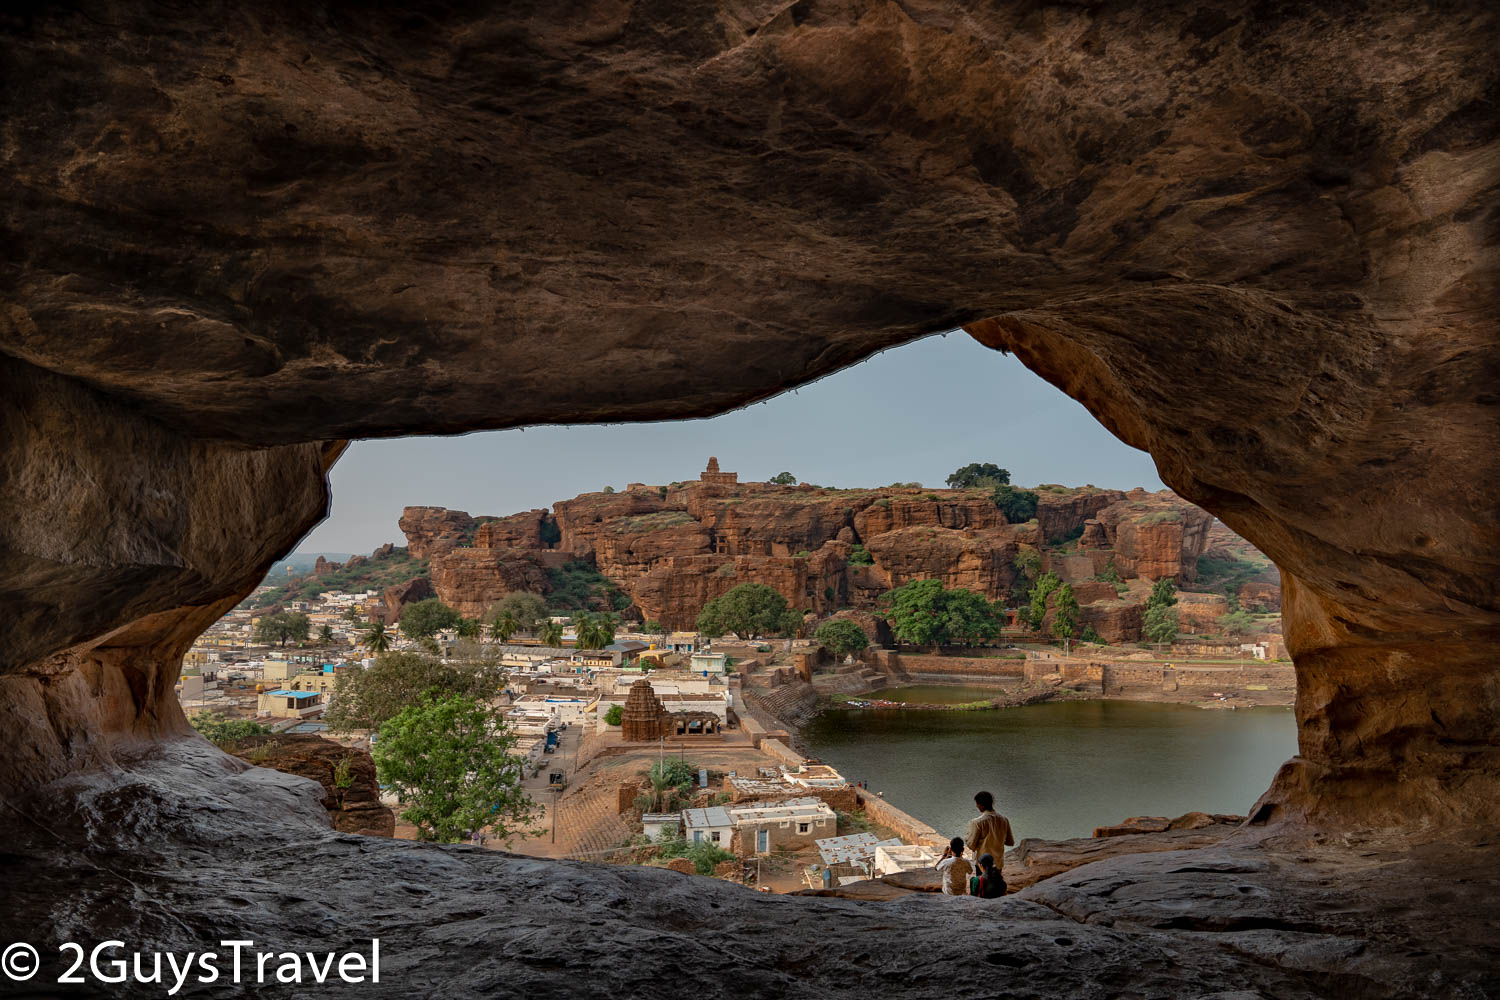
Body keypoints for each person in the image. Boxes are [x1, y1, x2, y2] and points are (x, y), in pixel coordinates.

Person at [965, 790, 1014, 878]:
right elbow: (1010, 842)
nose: (976, 806)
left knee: (983, 885)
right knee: (995, 885)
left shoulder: (977, 822)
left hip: (982, 864)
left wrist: (967, 837)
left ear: (982, 805)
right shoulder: (1004, 820)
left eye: (977, 804)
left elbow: (971, 845)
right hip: (998, 863)